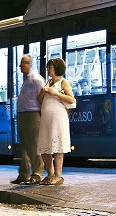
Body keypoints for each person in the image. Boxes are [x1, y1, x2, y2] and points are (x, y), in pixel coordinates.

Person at [37, 57, 75, 186]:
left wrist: (55, 93)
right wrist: (43, 91)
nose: (48, 69)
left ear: (57, 68)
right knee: (44, 146)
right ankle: (50, 173)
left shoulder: (63, 82)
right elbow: (39, 99)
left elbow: (71, 99)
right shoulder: (48, 82)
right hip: (46, 119)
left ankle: (58, 175)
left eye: (50, 67)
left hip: (58, 118)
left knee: (57, 146)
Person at [11, 54, 45, 185]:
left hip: (32, 115)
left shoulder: (36, 79)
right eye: (21, 63)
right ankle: (24, 174)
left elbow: (43, 97)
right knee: (24, 146)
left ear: (31, 65)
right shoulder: (26, 80)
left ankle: (37, 174)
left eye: (25, 63)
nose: (21, 65)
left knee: (33, 145)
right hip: (23, 114)